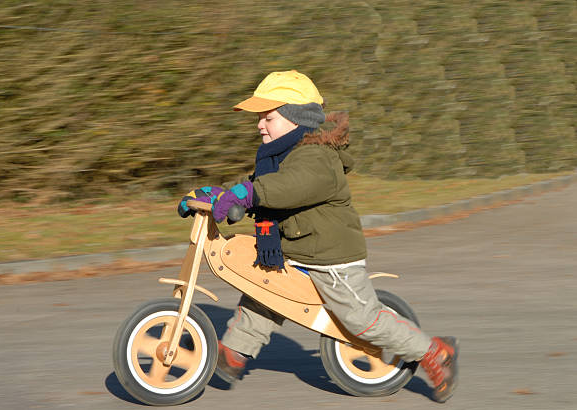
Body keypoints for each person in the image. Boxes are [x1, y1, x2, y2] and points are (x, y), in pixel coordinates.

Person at [178, 70, 458, 402]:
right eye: (259, 118)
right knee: (264, 288)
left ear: (296, 119)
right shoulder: (278, 157)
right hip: (296, 249)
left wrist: (243, 195)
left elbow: (285, 189)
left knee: (360, 318)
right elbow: (259, 186)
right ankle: (234, 351)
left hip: (331, 260)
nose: (259, 125)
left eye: (268, 117)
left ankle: (434, 351)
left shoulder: (315, 157)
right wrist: (218, 196)